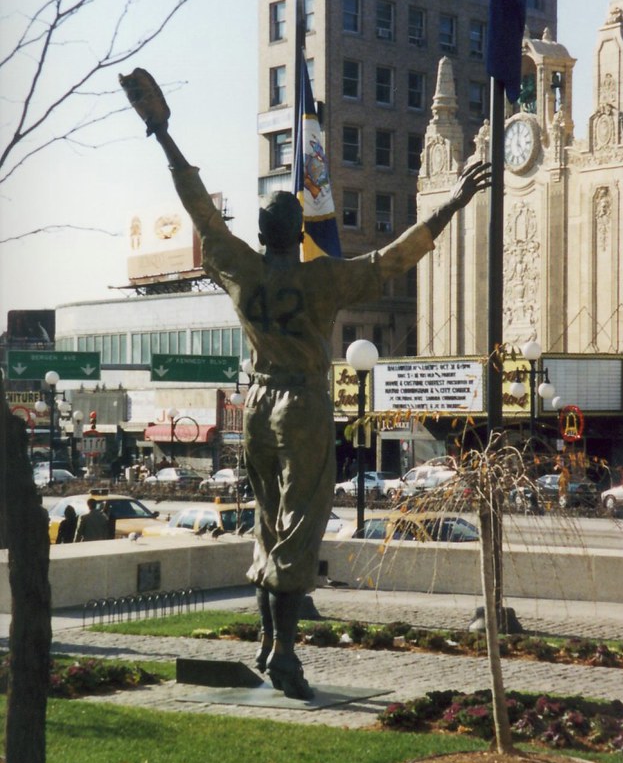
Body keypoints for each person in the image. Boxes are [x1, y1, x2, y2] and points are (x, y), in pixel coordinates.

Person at [120, 67, 491, 699]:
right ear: (297, 233)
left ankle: (267, 642)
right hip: (302, 403)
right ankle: (286, 654)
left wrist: (162, 136)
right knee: (298, 526)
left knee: (267, 522)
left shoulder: (239, 268)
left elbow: (201, 211)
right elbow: (394, 257)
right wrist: (454, 202)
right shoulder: (323, 281)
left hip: (256, 404)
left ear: (262, 234)